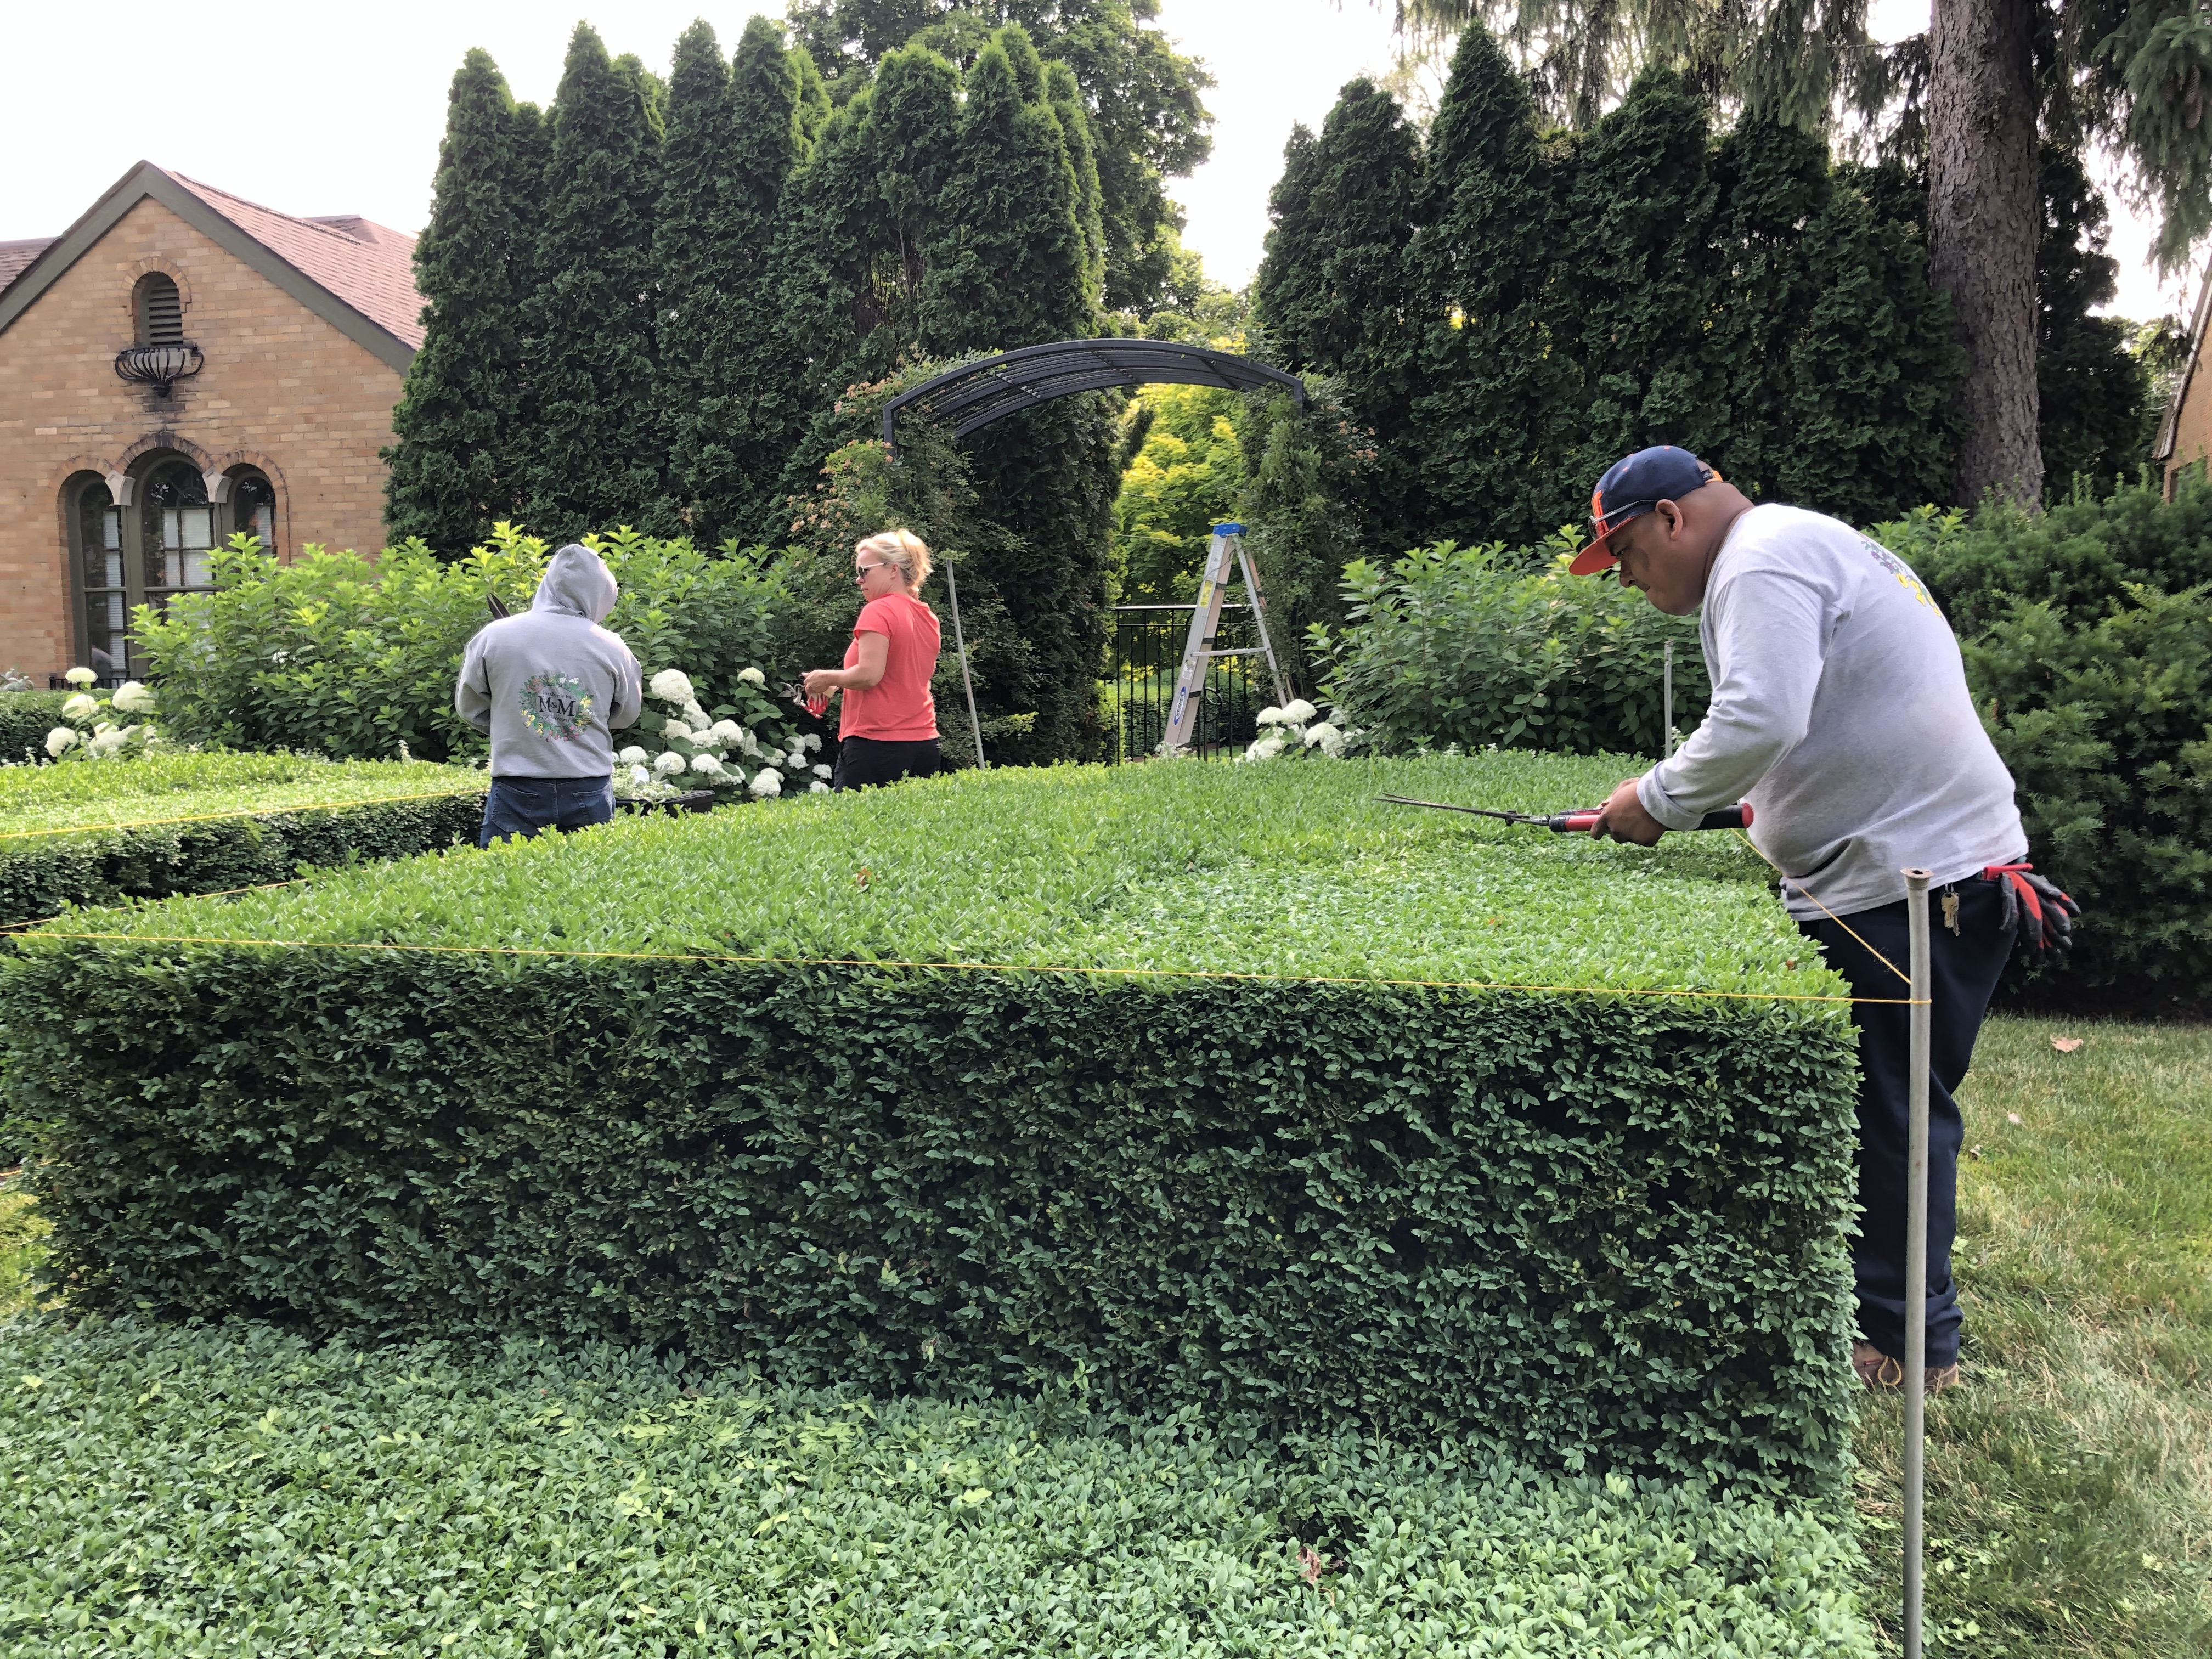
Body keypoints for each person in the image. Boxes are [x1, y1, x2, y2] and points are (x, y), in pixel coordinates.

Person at [1576, 445, 2076, 1395]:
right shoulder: (1792, 544)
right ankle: (1885, 1312)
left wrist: (1658, 799)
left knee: (1893, 1116)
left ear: (1670, 519)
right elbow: (1822, 725)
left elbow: (1760, 718)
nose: (1628, 580)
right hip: (1918, 874)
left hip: (1915, 887)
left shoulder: (1760, 558)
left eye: (1626, 555)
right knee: (1881, 1105)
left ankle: (1907, 1345)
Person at [455, 541, 642, 847]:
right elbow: (626, 716)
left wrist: (515, 723)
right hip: (589, 785)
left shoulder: (495, 636)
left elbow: (470, 707)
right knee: (593, 875)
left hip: (517, 784)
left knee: (506, 874)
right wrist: (578, 721)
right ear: (602, 594)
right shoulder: (612, 647)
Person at [803, 529, 943, 789]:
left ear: (893, 570)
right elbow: (903, 677)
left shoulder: (878, 610)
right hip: (924, 743)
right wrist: (835, 685)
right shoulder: (927, 616)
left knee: (854, 817)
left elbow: (869, 676)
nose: (858, 580)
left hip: (876, 745)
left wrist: (826, 677)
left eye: (864, 571)